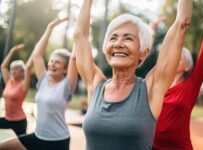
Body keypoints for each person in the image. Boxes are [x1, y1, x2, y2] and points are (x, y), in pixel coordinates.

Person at [74, 0, 192, 149]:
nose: (118, 43)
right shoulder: (95, 83)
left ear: (143, 53)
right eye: (113, 38)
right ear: (106, 49)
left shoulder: (150, 89)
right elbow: (80, 35)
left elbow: (182, 24)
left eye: (128, 38)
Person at [152, 0, 203, 149]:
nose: (175, 57)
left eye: (180, 56)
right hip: (153, 146)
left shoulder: (191, 86)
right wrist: (153, 30)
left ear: (187, 65)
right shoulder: (159, 83)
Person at [0, 17, 78, 150]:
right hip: (37, 136)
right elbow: (37, 55)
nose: (52, 64)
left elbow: (74, 58)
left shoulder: (66, 86)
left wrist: (77, 36)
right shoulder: (43, 80)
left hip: (57, 142)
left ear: (65, 69)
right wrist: (49, 28)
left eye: (57, 62)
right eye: (51, 61)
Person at [0, 44, 32, 136]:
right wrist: (12, 51)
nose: (13, 71)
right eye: (12, 69)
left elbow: (28, 69)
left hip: (19, 121)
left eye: (16, 69)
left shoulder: (24, 84)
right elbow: (3, 66)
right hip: (7, 119)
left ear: (22, 71)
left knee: (21, 146)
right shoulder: (9, 81)